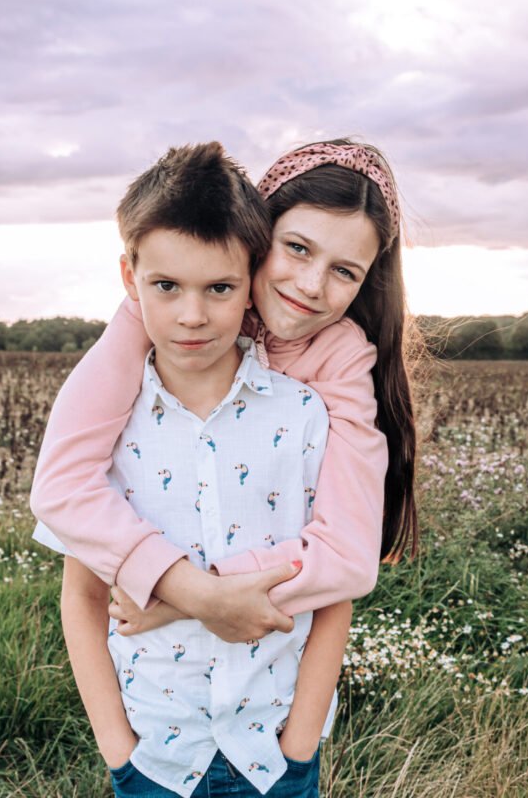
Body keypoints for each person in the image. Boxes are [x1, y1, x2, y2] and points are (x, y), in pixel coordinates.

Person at [33, 141, 352, 796]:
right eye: (166, 286)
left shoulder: (302, 417)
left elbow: (332, 590)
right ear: (130, 278)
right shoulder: (109, 426)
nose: (192, 315)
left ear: (253, 281)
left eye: (220, 288)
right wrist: (116, 745)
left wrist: (300, 741)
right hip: (154, 752)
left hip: (272, 754)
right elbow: (83, 593)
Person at [29, 138, 418, 640]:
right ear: (255, 236)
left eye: (344, 271)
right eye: (297, 248)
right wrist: (189, 589)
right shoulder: (165, 315)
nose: (312, 285)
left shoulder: (342, 358)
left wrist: (190, 598)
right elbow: (61, 483)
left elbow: (349, 557)